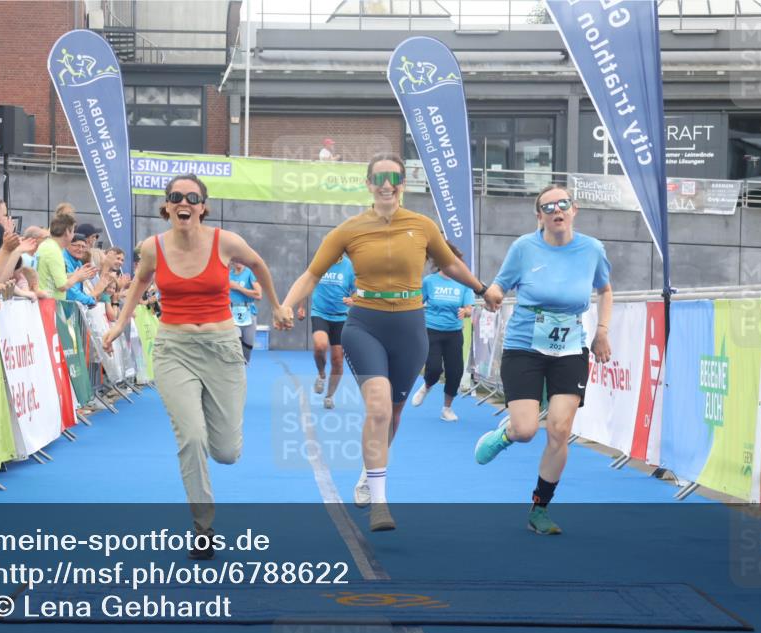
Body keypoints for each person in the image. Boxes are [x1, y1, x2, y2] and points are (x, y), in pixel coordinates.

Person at [280, 154, 486, 530]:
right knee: (376, 408)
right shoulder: (348, 230)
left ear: (403, 183)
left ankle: (367, 473)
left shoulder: (422, 225)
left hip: (410, 327)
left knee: (392, 414)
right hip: (365, 325)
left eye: (394, 177)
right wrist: (286, 305)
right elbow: (312, 274)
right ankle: (380, 503)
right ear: (369, 184)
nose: (386, 184)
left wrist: (480, 289)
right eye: (379, 178)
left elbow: (451, 264)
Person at [104, 174, 291, 559]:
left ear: (203, 206)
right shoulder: (153, 248)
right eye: (176, 197)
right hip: (175, 350)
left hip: (222, 348)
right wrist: (121, 322)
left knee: (225, 452)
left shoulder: (226, 242)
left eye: (192, 197)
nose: (184, 202)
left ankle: (215, 437)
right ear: (167, 206)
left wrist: (276, 305)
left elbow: (258, 265)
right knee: (190, 438)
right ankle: (202, 528)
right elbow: (139, 283)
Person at [475, 185, 613, 536]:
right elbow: (499, 287)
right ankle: (505, 434)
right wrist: (490, 294)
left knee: (560, 430)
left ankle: (540, 508)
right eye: (548, 206)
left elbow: (605, 289)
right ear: (539, 216)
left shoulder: (592, 249)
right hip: (525, 346)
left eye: (562, 204)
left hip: (570, 349)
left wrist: (602, 331)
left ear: (574, 209)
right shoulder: (524, 248)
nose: (557, 210)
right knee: (525, 430)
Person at [410, 241, 473, 422]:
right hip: (432, 330)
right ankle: (427, 385)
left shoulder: (463, 283)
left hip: (454, 333)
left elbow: (469, 308)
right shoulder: (429, 281)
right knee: (435, 368)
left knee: (455, 372)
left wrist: (465, 311)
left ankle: (447, 408)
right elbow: (417, 302)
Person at [296, 254, 355, 409]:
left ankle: (329, 396)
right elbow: (306, 283)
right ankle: (321, 374)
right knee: (320, 346)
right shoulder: (321, 260)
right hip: (320, 313)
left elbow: (357, 291)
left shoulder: (350, 266)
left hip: (341, 317)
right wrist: (301, 307)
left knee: (337, 360)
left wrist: (353, 300)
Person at [37, 212, 97, 301]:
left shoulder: (48, 245)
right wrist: (77, 277)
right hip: (49, 304)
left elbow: (55, 277)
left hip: (48, 303)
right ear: (66, 232)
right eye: (73, 231)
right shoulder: (54, 250)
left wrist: (76, 274)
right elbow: (62, 286)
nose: (73, 235)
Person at [228, 259, 261, 362]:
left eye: (240, 259)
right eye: (236, 259)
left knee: (246, 352)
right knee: (235, 347)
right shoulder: (228, 275)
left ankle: (242, 370)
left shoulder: (249, 273)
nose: (238, 261)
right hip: (232, 314)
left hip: (248, 314)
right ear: (232, 261)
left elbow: (258, 295)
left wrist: (238, 287)